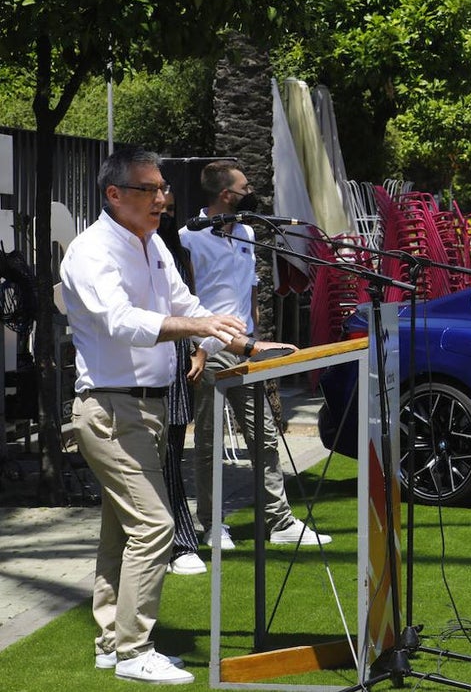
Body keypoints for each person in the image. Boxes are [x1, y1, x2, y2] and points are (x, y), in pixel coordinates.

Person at [60, 147, 253, 684]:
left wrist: (231, 334)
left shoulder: (154, 245)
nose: (163, 199)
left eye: (164, 189)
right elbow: (120, 322)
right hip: (108, 408)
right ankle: (133, 650)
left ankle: (109, 641)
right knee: (155, 526)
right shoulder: (91, 251)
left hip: (148, 406)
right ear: (114, 194)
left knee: (120, 532)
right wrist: (199, 329)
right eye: (151, 190)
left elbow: (185, 304)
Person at [181, 159, 330, 550]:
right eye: (245, 187)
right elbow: (185, 299)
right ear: (226, 194)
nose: (252, 192)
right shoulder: (188, 237)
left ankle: (279, 522)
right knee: (210, 443)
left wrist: (256, 338)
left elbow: (249, 293)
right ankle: (213, 525)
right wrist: (197, 348)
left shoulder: (247, 232)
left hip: (248, 349)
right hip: (209, 351)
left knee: (264, 438)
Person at [156, 191, 208, 576]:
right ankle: (173, 542)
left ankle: (182, 542)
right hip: (145, 366)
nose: (165, 215)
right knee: (159, 459)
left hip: (176, 363)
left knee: (173, 452)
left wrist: (200, 349)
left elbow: (189, 303)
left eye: (172, 210)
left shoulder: (178, 255)